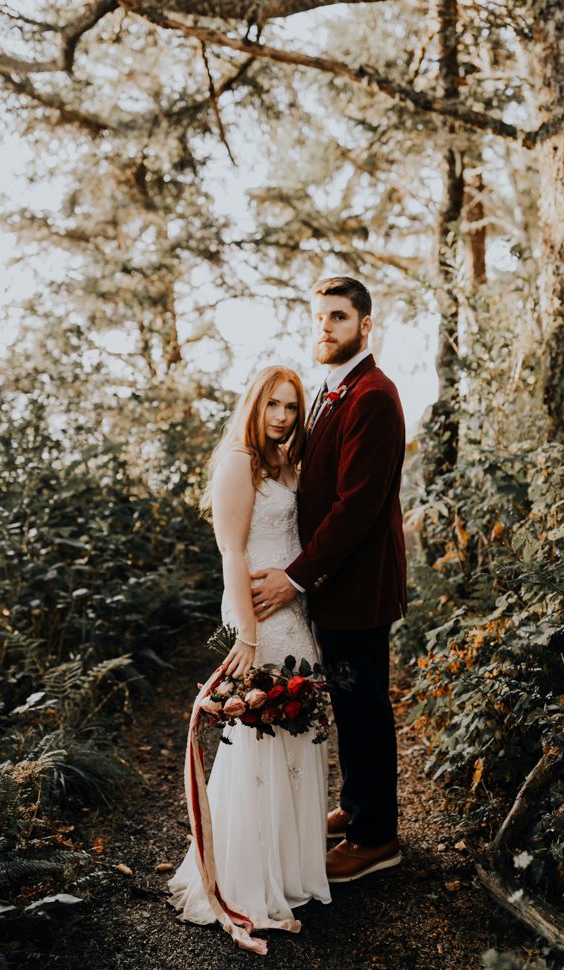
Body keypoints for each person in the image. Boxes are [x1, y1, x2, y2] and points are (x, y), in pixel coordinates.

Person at [167, 366, 331, 939]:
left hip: (296, 618)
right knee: (258, 741)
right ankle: (245, 878)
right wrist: (246, 634)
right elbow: (231, 554)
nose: (283, 417)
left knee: (297, 735)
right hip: (261, 621)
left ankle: (289, 871)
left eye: (292, 407)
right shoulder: (239, 461)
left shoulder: (288, 464)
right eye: (274, 406)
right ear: (255, 406)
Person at [252, 277, 407, 883]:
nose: (324, 328)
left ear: (364, 326)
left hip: (357, 586)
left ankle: (377, 837)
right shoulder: (328, 391)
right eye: (318, 318)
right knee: (348, 702)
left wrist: (295, 578)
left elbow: (356, 508)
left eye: (337, 318)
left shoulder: (372, 396)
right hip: (337, 583)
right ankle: (360, 806)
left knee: (363, 707)